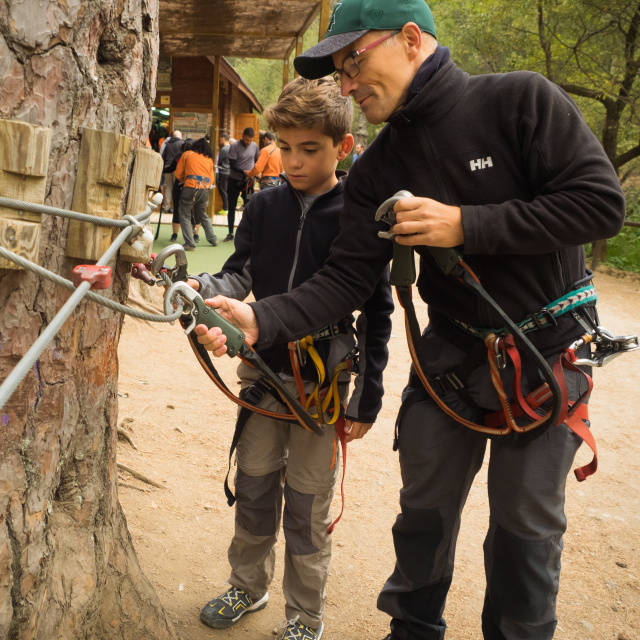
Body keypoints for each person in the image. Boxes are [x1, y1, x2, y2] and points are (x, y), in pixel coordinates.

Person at [191, 1, 627, 639]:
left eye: (354, 62)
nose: (346, 83)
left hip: (544, 359)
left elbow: (599, 205)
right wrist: (259, 319)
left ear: (412, 39)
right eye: (339, 72)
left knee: (526, 527)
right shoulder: (376, 170)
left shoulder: (520, 102)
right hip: (449, 358)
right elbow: (345, 279)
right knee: (422, 513)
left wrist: (464, 224)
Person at [184, 76, 393, 640]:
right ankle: (247, 586)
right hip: (264, 376)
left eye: (311, 150)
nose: (294, 162)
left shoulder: (360, 216)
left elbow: (377, 313)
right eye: (286, 146)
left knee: (305, 506)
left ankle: (305, 618)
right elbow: (243, 272)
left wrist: (368, 399)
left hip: (322, 389)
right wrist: (205, 287)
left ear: (343, 147)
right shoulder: (265, 205)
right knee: (253, 489)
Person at [174, 137, 219, 250]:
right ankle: (212, 238)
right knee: (202, 213)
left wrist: (186, 179)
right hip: (204, 189)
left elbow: (178, 174)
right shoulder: (208, 159)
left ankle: (190, 243)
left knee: (184, 214)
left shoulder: (187, 154)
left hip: (190, 187)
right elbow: (211, 178)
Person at [226, 127, 259, 242]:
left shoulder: (255, 146)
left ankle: (248, 233)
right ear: (242, 136)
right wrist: (244, 172)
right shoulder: (234, 146)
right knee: (231, 207)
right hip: (234, 180)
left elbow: (257, 161)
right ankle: (230, 233)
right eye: (246, 140)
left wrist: (256, 173)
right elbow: (232, 165)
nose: (248, 142)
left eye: (250, 140)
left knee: (250, 207)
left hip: (248, 182)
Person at [166, 138, 194, 242]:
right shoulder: (194, 156)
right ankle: (194, 235)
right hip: (190, 185)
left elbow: (172, 168)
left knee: (178, 210)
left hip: (182, 184)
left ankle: (175, 235)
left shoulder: (180, 156)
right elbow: (172, 168)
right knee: (190, 210)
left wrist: (163, 170)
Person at [160, 130, 184, 213]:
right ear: (180, 136)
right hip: (176, 168)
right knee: (176, 188)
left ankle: (166, 207)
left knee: (167, 188)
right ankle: (175, 207)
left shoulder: (168, 144)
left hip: (167, 167)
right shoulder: (181, 143)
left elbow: (163, 155)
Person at [217, 133, 231, 214]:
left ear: (223, 139)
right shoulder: (233, 148)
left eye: (220, 139)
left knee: (222, 190)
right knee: (228, 190)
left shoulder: (223, 149)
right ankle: (229, 207)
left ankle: (225, 208)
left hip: (224, 171)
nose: (220, 141)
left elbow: (219, 162)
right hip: (231, 172)